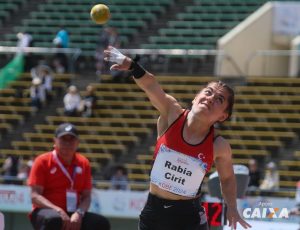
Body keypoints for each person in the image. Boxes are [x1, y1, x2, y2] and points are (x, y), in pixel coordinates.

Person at [104, 46, 251, 230]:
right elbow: (151, 85)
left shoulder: (219, 145)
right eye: (208, 92)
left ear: (223, 116)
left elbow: (228, 178)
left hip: (188, 217)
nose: (211, 98)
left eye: (219, 99)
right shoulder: (172, 113)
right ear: (196, 97)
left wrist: (232, 207)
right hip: (154, 212)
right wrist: (132, 65)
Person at [27, 123, 110, 230]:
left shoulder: (83, 163)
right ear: (55, 141)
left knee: (101, 223)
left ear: (77, 143)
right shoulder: (42, 161)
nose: (67, 143)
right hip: (47, 210)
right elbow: (35, 196)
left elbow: (86, 196)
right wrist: (58, 210)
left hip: (73, 211)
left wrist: (79, 213)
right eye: (63, 139)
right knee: (55, 220)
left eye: (71, 139)